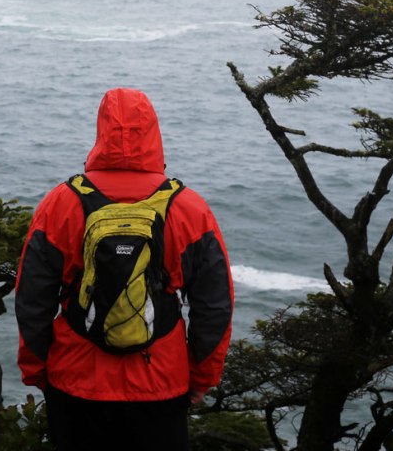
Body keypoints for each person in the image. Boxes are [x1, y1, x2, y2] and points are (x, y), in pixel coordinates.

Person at [15, 87, 233, 451]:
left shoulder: (61, 203)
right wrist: (201, 377)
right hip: (161, 380)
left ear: (100, 131)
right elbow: (215, 305)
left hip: (75, 378)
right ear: (153, 131)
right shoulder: (189, 207)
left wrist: (37, 369)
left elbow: (32, 300)